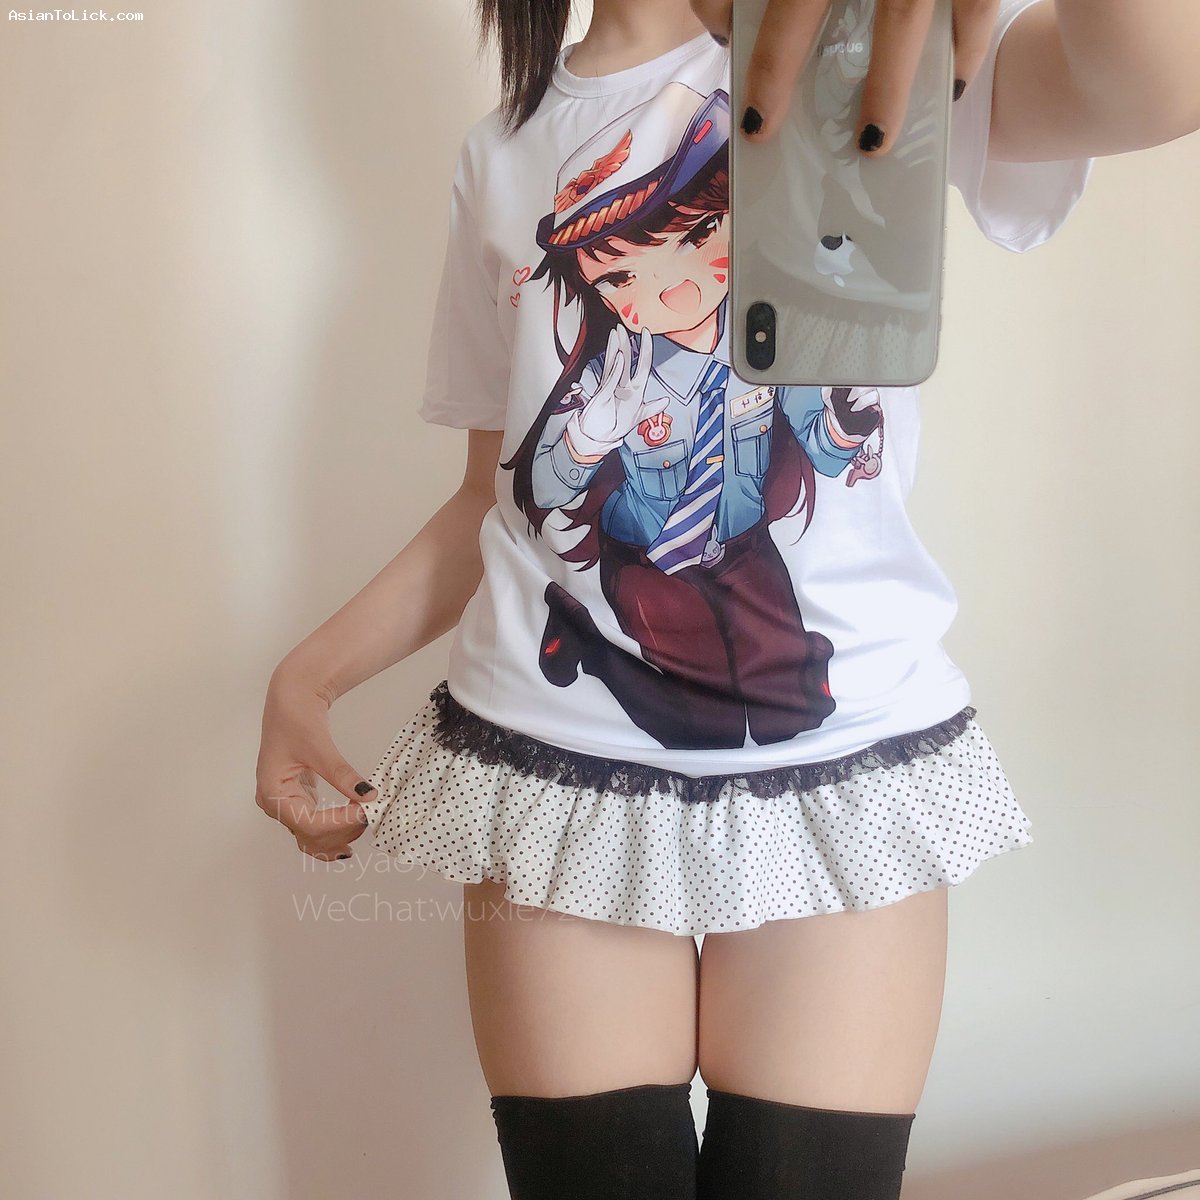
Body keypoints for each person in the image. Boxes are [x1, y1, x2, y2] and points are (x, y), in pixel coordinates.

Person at [254, 1, 1198, 1196]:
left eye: (689, 239)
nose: (660, 281)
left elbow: (1161, 83)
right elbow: (494, 505)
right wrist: (307, 680)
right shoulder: (503, 153)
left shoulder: (867, 46)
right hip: (559, 775)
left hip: (842, 767)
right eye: (618, 266)